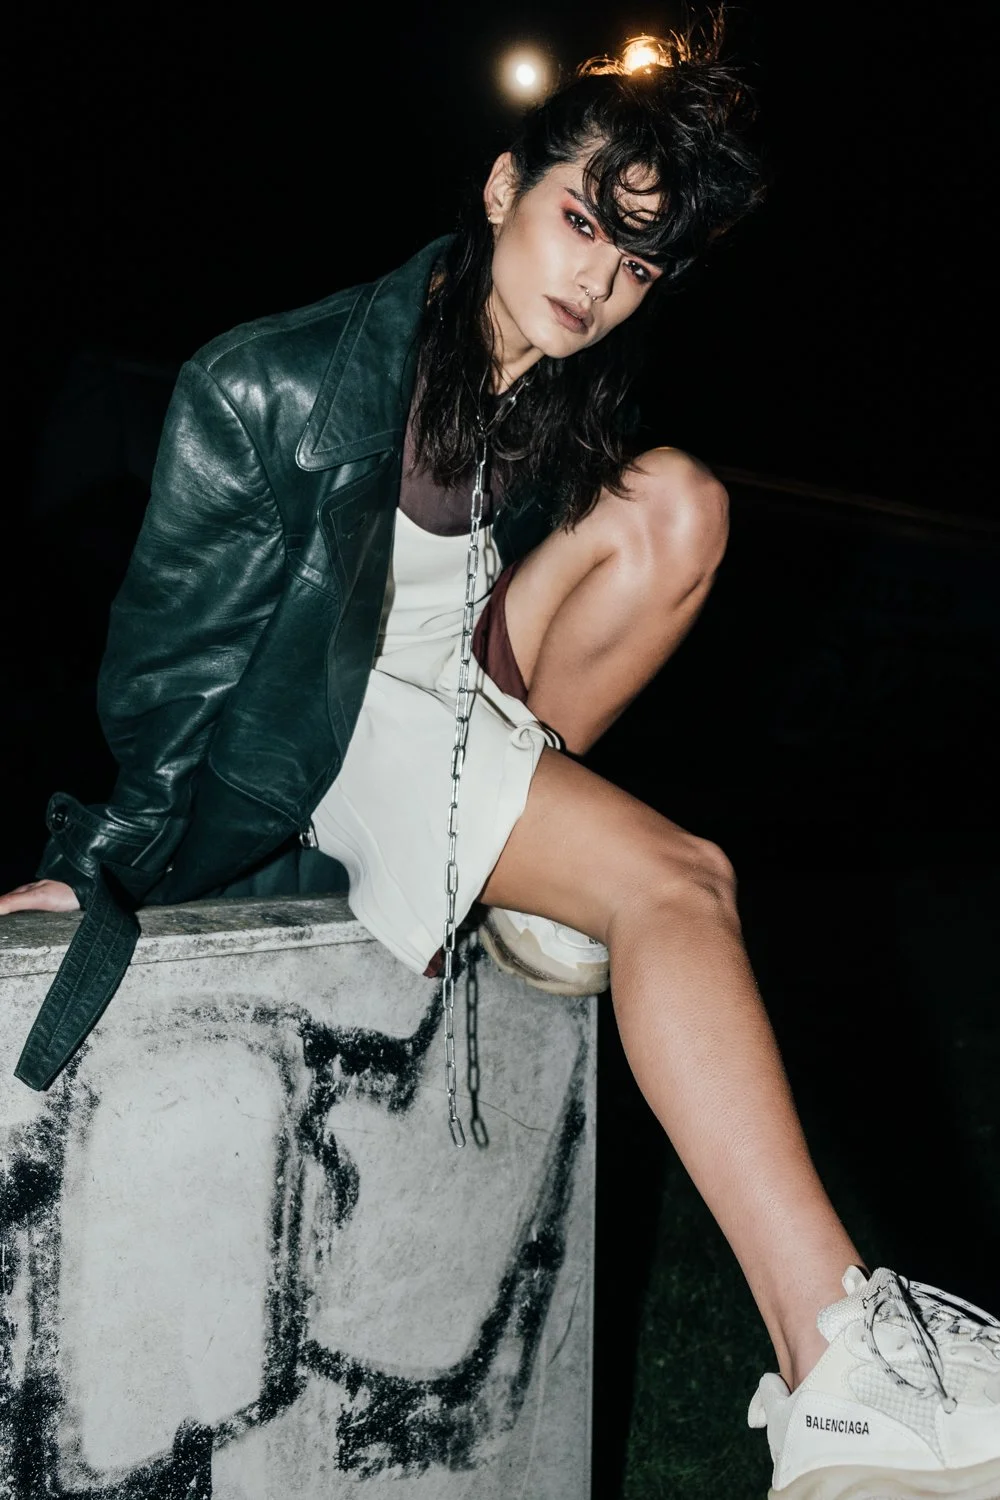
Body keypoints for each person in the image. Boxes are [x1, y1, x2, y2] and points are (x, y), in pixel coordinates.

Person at [3, 19, 998, 1498]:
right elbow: (164, 680)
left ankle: (525, 878)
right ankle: (836, 1370)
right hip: (333, 731)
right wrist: (99, 868)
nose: (596, 282)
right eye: (582, 222)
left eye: (636, 266)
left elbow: (507, 597)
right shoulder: (264, 386)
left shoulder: (556, 397)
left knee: (680, 502)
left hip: (461, 700)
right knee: (679, 883)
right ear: (500, 189)